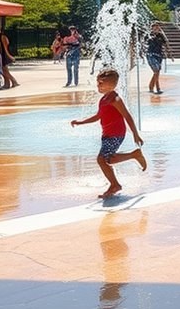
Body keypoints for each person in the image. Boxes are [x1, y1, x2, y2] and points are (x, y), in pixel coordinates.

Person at [70, 69, 147, 199]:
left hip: (116, 134)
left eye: (101, 83)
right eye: (98, 83)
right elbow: (98, 116)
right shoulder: (103, 99)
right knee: (108, 159)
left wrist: (135, 134)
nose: (98, 86)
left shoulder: (115, 98)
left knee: (102, 159)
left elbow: (127, 116)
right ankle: (134, 156)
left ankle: (115, 184)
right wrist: (80, 122)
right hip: (107, 134)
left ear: (111, 85)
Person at [145, 22, 173, 94]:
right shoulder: (148, 35)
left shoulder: (161, 36)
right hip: (151, 55)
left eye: (157, 28)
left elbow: (166, 44)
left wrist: (170, 54)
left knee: (157, 72)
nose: (156, 29)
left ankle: (151, 87)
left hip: (159, 56)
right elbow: (144, 44)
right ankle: (157, 88)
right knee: (156, 71)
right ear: (152, 29)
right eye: (154, 28)